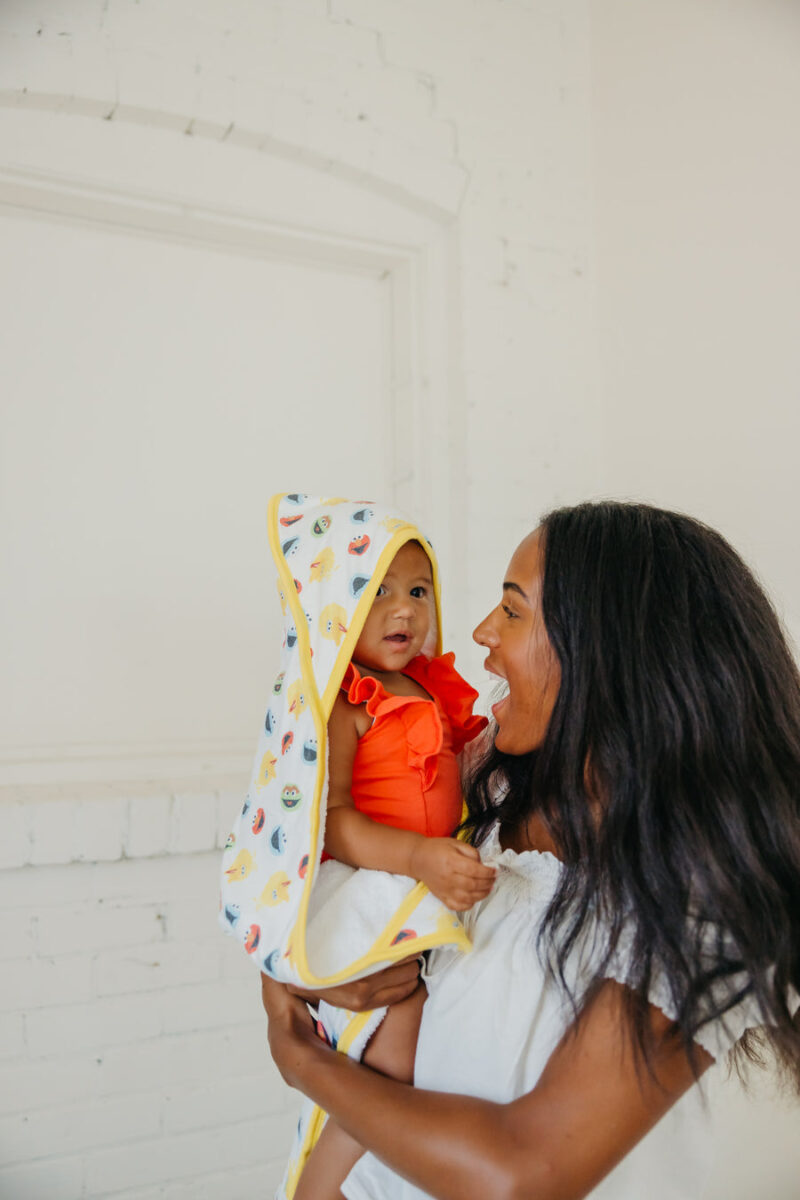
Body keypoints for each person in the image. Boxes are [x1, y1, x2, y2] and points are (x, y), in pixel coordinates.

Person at [262, 501, 800, 1200]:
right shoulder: (486, 785)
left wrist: (303, 1061)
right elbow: (313, 877)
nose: (481, 633)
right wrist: (317, 976)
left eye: (512, 612)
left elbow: (522, 1174)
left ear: (608, 655)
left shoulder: (703, 903)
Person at [296, 536, 495, 1198]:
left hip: (425, 877)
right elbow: (336, 821)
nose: (402, 610)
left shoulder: (429, 684)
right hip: (373, 878)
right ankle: (320, 1183)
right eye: (375, 592)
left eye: (417, 591)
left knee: (433, 1031)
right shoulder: (347, 701)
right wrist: (416, 855)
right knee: (396, 1045)